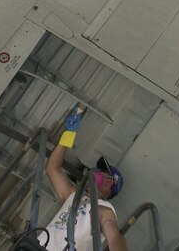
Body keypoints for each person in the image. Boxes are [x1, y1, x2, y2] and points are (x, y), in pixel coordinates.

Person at [38, 106, 127, 251]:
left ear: (110, 181)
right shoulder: (74, 197)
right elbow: (52, 169)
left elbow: (114, 237)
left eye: (102, 171)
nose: (95, 171)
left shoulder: (105, 210)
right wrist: (69, 133)